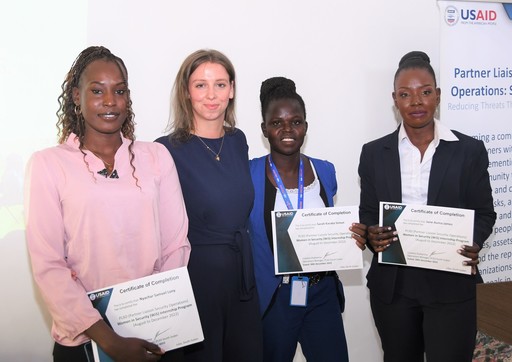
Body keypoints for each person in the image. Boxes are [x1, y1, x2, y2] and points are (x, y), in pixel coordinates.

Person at [24, 46, 190, 362]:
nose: (110, 101)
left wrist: (157, 319)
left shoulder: (155, 158)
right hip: (85, 343)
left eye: (120, 91)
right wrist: (109, 339)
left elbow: (175, 247)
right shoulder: (48, 165)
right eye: (97, 91)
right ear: (76, 96)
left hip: (152, 339)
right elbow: (49, 265)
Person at [357, 51, 496, 362]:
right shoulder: (374, 153)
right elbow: (368, 213)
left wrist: (473, 241)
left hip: (451, 283)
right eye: (406, 94)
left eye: (425, 92)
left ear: (438, 96)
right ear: (395, 99)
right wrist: (371, 234)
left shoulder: (469, 151)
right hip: (393, 287)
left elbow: (485, 213)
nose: (416, 101)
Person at [248, 76, 366, 362]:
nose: (287, 129)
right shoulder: (247, 175)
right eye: (277, 123)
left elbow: (333, 229)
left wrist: (351, 236)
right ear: (264, 129)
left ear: (306, 127)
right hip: (276, 295)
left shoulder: (325, 172)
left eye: (296, 121)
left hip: (320, 291)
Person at [155, 49, 262, 362]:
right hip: (194, 282)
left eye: (220, 84)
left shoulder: (239, 140)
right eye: (200, 85)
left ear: (231, 91)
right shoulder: (165, 150)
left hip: (242, 279)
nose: (211, 95)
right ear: (186, 92)